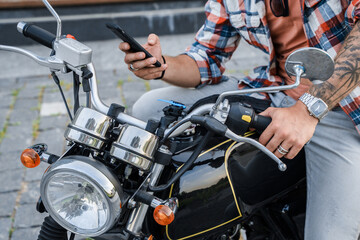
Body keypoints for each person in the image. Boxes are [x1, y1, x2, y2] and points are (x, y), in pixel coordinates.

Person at [119, 0, 360, 239]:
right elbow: (206, 57)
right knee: (149, 108)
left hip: (342, 107)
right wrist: (162, 66)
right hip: (276, 89)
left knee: (328, 235)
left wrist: (307, 110)